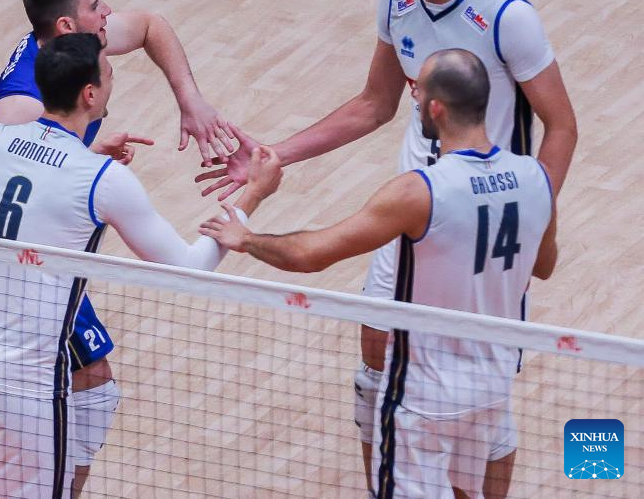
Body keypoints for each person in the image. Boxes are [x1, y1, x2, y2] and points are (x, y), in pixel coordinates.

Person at [196, 0, 576, 496]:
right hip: (414, 206)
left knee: (480, 375)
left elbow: (562, 127)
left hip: (478, 211)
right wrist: (273, 154)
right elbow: (374, 104)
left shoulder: (508, 18)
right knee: (379, 356)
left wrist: (527, 210)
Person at [0, 0, 231, 496]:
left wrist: (188, 99)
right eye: (97, 6)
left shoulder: (67, 59)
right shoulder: (14, 111)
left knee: (32, 399)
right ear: (69, 31)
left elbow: (150, 25)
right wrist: (33, 279)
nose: (110, 14)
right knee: (88, 390)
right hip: (25, 287)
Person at [201, 49, 557, 498]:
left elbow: (312, 254)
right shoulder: (536, 177)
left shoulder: (420, 191)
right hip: (493, 385)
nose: (411, 90)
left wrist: (246, 237)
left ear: (436, 108)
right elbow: (543, 265)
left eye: (418, 88)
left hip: (425, 396)